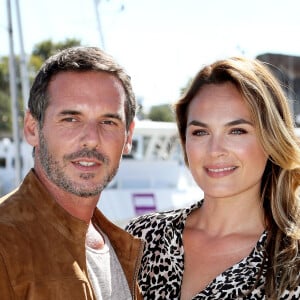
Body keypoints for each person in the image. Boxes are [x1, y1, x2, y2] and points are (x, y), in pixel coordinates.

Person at [126, 57, 300, 299]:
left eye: (237, 131)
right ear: (185, 140)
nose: (215, 150)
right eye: (200, 132)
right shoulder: (141, 237)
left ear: (271, 139)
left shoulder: (293, 260)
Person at [0, 46, 144, 300]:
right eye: (71, 119)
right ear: (33, 128)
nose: (91, 139)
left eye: (108, 122)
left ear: (128, 136)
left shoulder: (123, 248)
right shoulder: (6, 243)